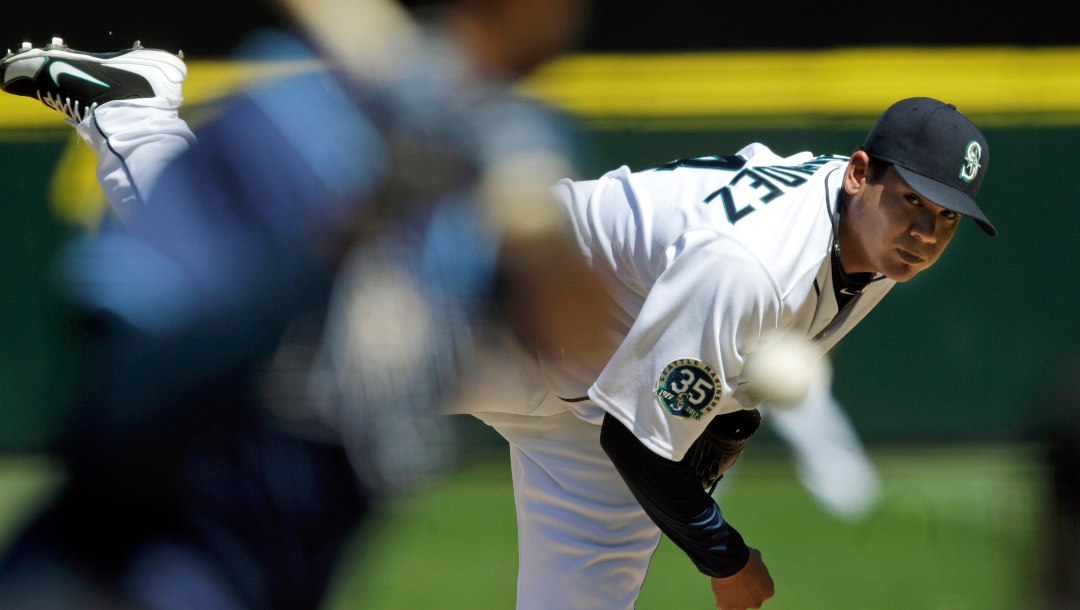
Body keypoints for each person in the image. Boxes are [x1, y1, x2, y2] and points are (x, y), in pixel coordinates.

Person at [0, 0, 603, 607]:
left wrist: (531, 205)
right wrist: (346, 237)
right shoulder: (282, 127)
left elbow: (580, 342)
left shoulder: (497, 165)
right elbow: (112, 415)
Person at [453, 96, 996, 609]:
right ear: (858, 174)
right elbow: (637, 444)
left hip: (602, 391)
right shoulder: (753, 264)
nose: (926, 232)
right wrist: (727, 561)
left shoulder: (878, 236)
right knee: (369, 433)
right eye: (913, 201)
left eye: (947, 216)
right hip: (505, 293)